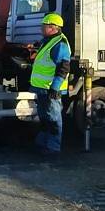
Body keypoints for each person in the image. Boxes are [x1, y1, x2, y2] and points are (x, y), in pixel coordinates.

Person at [30, 12, 71, 153]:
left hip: (51, 90)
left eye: (44, 26)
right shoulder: (48, 41)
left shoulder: (60, 44)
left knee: (53, 119)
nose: (42, 28)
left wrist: (55, 88)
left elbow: (63, 68)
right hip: (42, 88)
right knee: (44, 117)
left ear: (54, 28)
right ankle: (42, 143)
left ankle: (53, 148)